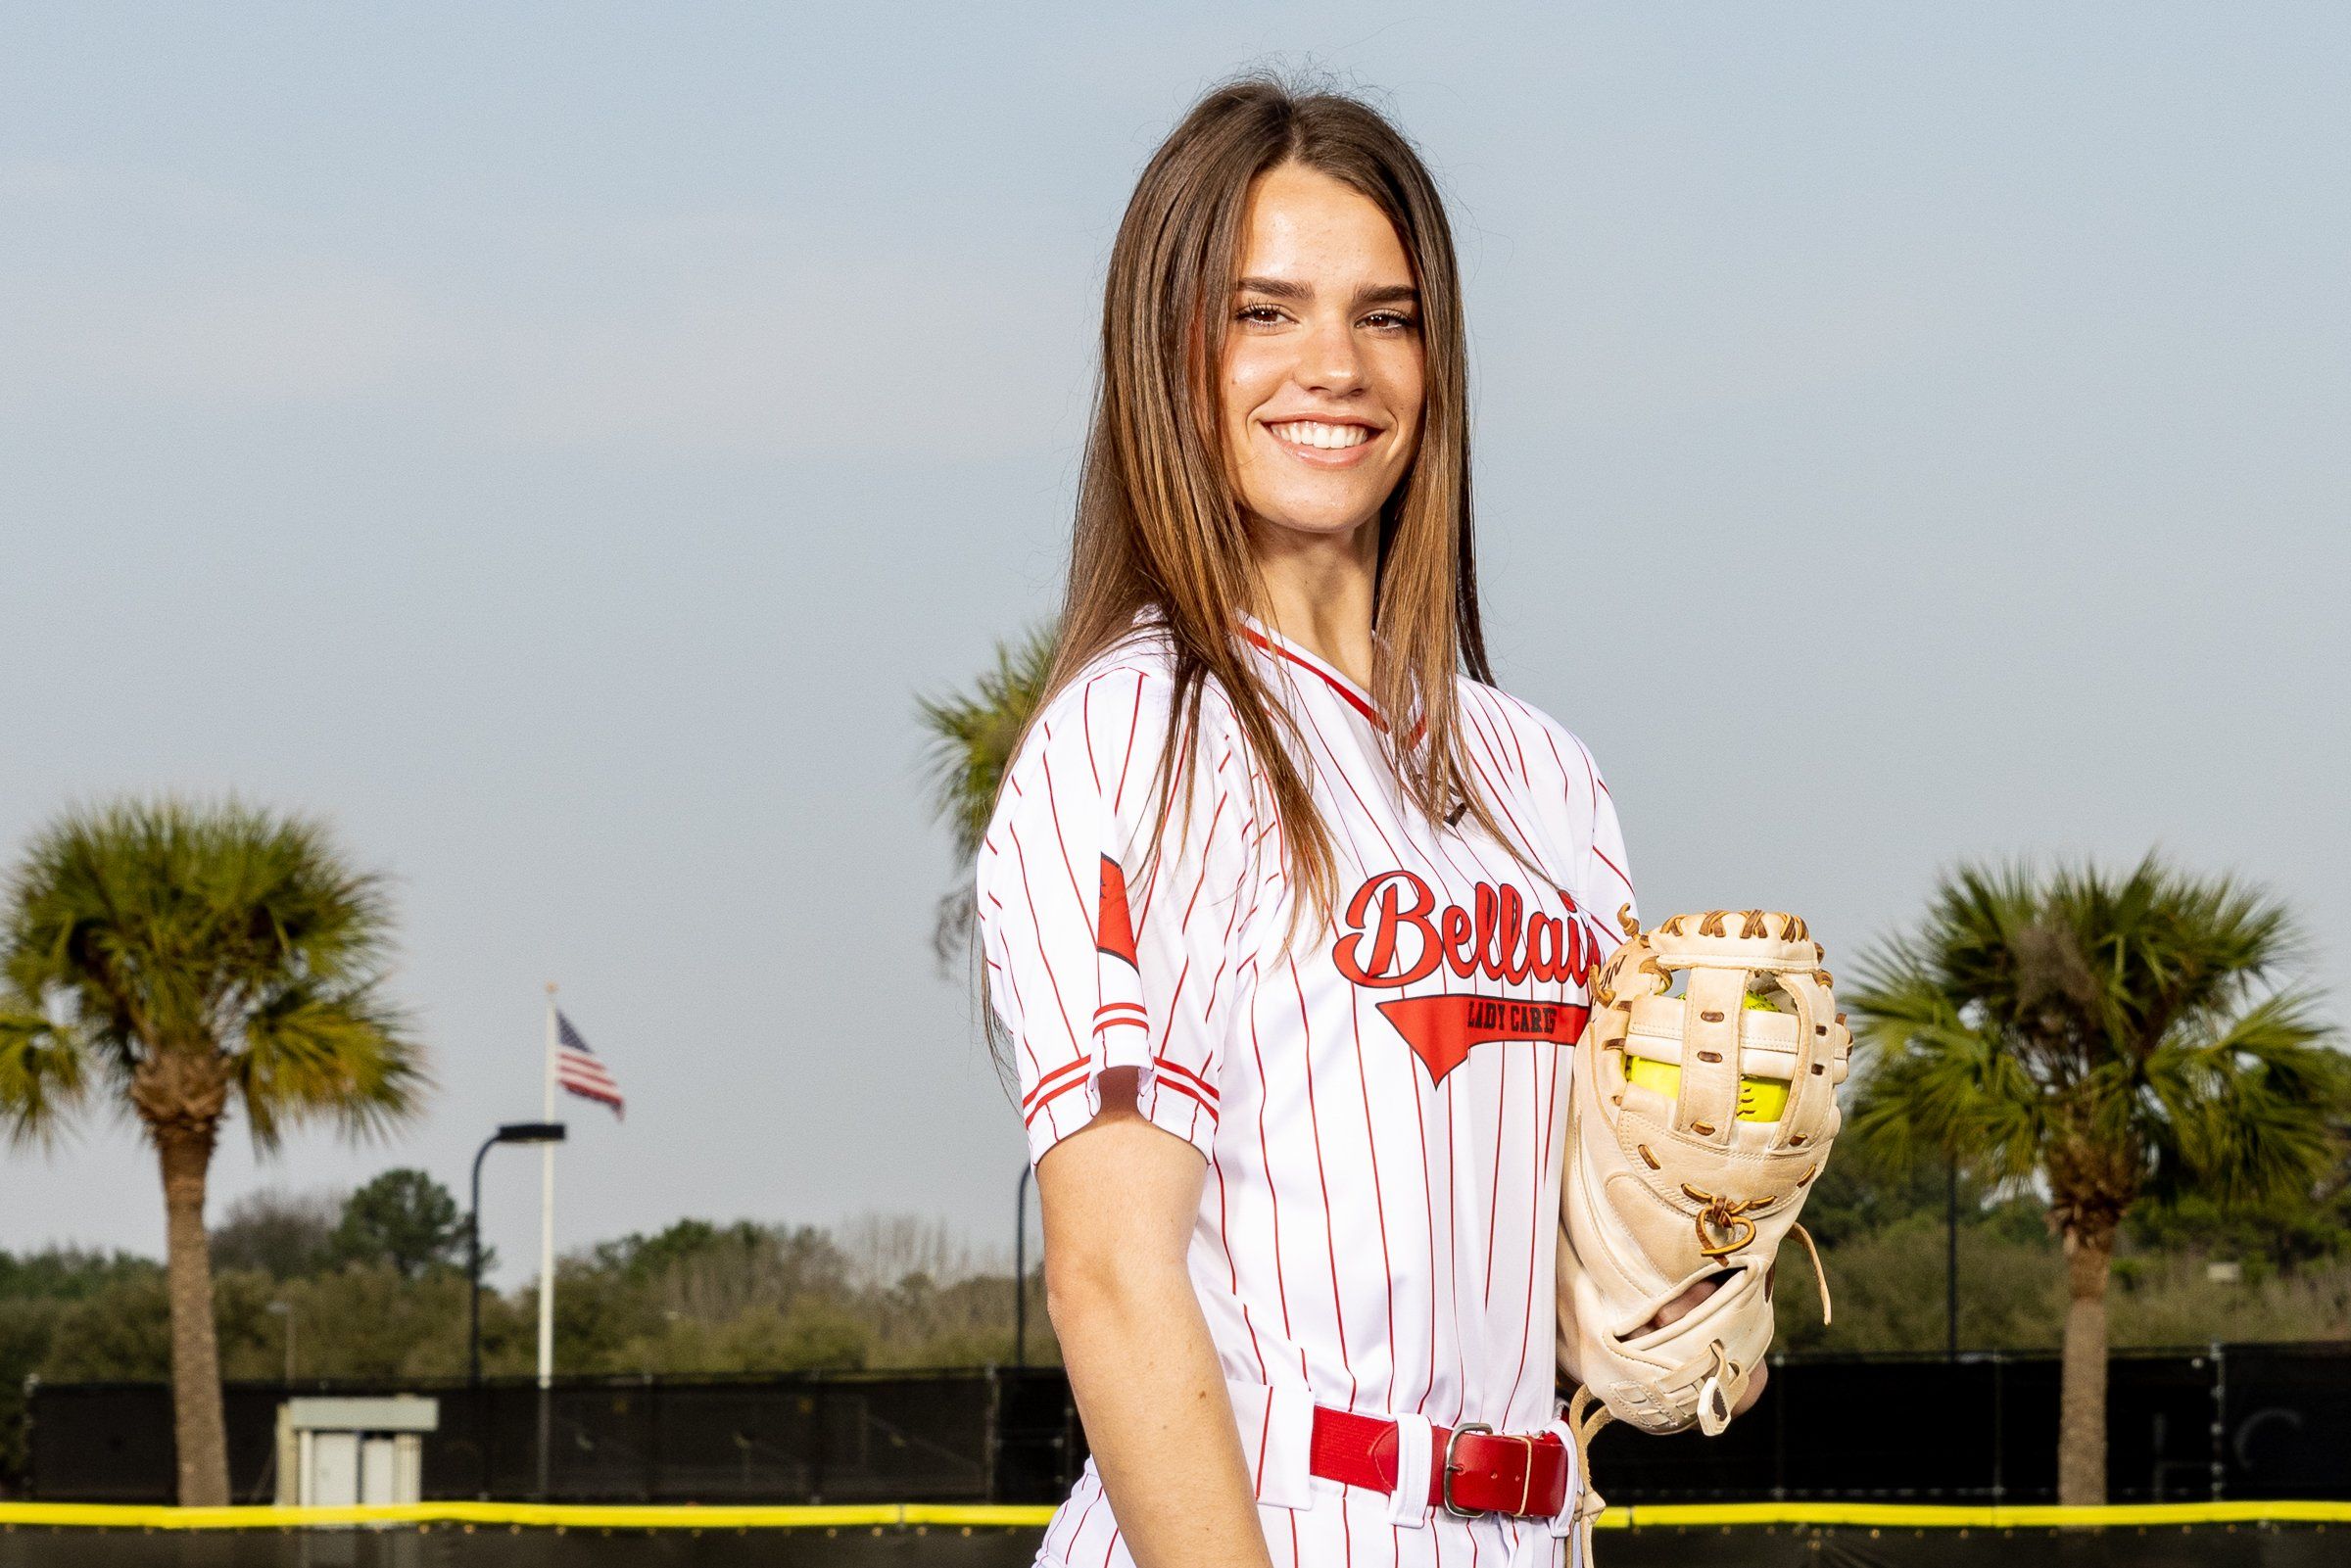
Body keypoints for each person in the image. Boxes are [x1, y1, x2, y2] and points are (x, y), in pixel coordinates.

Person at [975, 76, 1751, 1568]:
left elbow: (1588, 1285)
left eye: (1384, 316)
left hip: (1530, 1520)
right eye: (1263, 311)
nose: (1332, 364)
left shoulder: (1546, 781)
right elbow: (1112, 1278)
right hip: (1269, 1516)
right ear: (1169, 354)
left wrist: (1698, 1277)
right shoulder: (1145, 732)